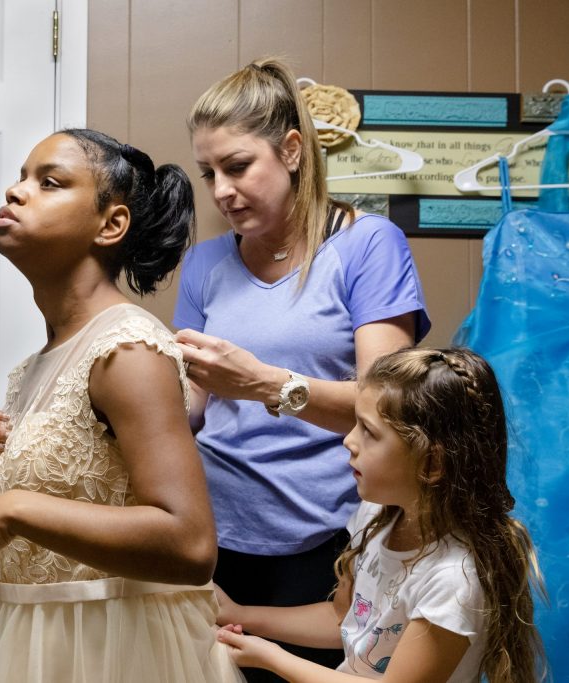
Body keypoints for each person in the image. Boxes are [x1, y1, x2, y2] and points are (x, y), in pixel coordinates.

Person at [0, 128, 243, 682]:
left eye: (49, 182)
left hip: (114, 649)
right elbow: (22, 544)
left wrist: (12, 508)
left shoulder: (126, 350)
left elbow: (190, 545)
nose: (15, 191)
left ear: (111, 224)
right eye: (21, 178)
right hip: (34, 644)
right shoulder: (35, 367)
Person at [174, 58, 430, 679]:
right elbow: (187, 411)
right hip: (213, 537)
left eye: (237, 167)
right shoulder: (205, 264)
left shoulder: (367, 246)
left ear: (291, 150)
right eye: (209, 173)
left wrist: (265, 385)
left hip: (328, 540)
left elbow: (390, 407)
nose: (221, 192)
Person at [214, 347, 548, 683]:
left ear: (432, 463)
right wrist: (243, 615)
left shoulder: (453, 580)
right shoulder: (376, 517)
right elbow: (345, 621)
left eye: (369, 432)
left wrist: (273, 659)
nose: (349, 441)